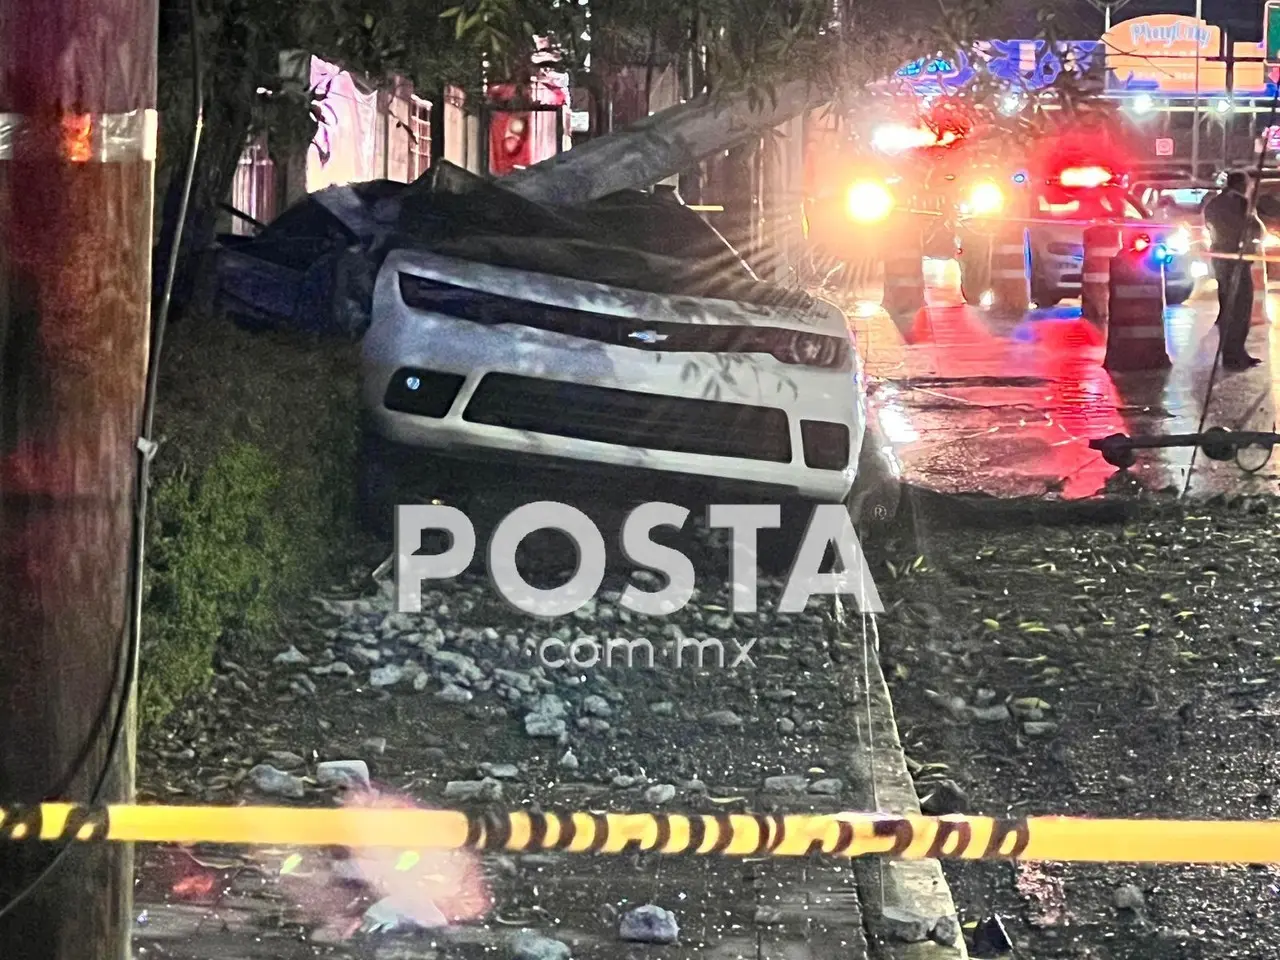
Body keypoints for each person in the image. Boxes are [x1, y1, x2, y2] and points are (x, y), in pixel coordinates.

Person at [1203, 170, 1266, 369]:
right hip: (1237, 260)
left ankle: (1231, 353)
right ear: (1241, 185)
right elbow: (1253, 228)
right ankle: (1235, 353)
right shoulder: (1241, 204)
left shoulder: (1213, 203)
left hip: (1220, 259)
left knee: (1227, 305)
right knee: (1240, 307)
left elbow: (1209, 226)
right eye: (1248, 184)